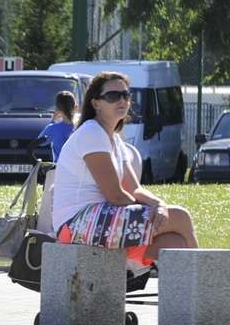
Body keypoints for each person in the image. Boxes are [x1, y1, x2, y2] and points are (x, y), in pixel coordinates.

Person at [51, 72, 197, 261]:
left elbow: (134, 189)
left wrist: (158, 204)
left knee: (175, 243)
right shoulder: (91, 132)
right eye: (113, 96)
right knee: (180, 217)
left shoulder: (116, 141)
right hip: (76, 224)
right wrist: (150, 209)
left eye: (126, 95)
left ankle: (182, 281)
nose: (121, 100)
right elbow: (115, 195)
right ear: (96, 104)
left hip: (103, 221)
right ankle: (205, 277)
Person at [38, 90, 77, 161]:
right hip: (78, 166)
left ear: (58, 110)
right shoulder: (81, 127)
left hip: (60, 166)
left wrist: (52, 121)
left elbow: (40, 142)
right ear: (76, 107)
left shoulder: (53, 128)